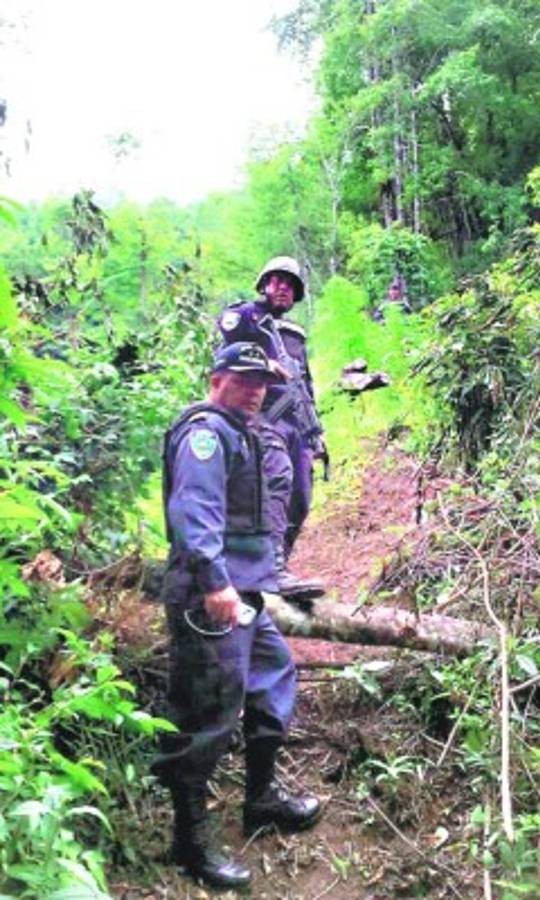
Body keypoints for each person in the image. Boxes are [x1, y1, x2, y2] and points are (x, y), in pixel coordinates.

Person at [153, 342, 321, 891]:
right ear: (217, 378)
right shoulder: (206, 433)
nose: (255, 391)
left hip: (242, 593)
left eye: (262, 383)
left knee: (273, 679)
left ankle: (260, 799)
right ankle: (190, 839)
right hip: (210, 596)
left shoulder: (241, 430)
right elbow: (194, 509)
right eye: (244, 380)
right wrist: (214, 580)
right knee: (209, 712)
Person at [218, 256, 327, 602]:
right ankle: (271, 569)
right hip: (262, 416)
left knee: (301, 497)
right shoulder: (247, 317)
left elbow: (305, 383)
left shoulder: (294, 336)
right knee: (276, 478)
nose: (282, 289)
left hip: (297, 423)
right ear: (264, 285)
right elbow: (228, 350)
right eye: (276, 281)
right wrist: (266, 364)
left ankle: (278, 566)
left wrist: (317, 432)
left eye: (289, 285)